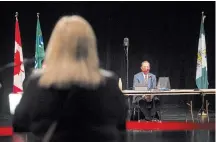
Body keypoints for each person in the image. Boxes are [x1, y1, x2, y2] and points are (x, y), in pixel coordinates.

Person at [13, 15, 127, 142]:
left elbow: (19, 125)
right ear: (90, 45)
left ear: (53, 46)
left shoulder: (38, 83)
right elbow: (121, 126)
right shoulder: (109, 84)